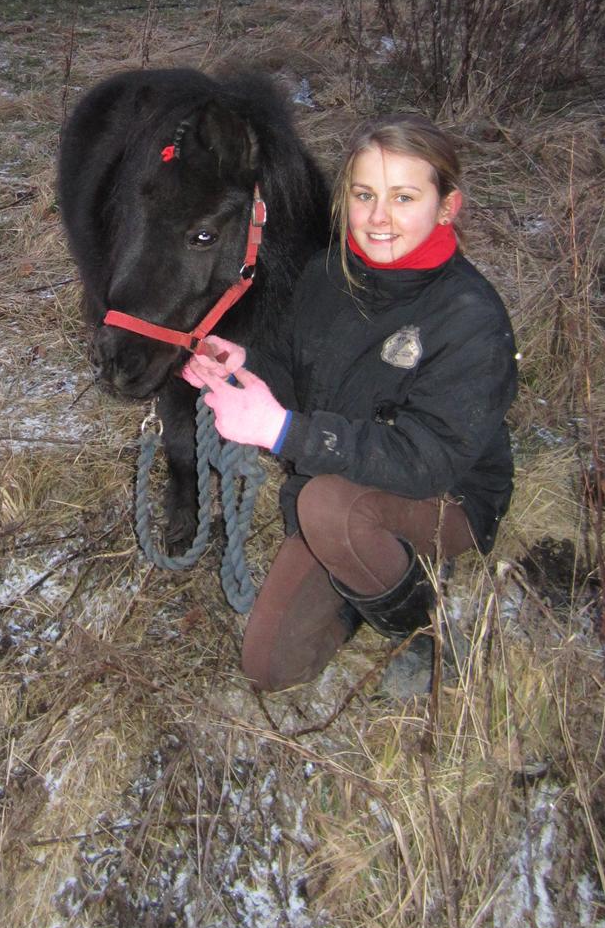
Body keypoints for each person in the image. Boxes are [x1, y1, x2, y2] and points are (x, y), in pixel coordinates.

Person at [182, 113, 518, 695]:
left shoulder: (471, 318)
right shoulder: (325, 273)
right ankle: (369, 575)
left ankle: (422, 627)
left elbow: (427, 460)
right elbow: (288, 366)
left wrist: (284, 432)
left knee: (329, 507)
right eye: (364, 195)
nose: (379, 218)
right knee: (271, 668)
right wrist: (242, 364)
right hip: (339, 479)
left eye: (404, 197)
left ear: (447, 207)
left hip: (444, 496)